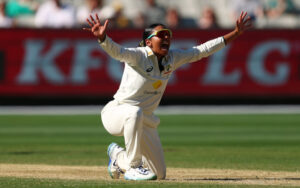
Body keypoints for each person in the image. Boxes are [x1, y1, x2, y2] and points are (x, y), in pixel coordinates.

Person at [83, 12, 252, 180]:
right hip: (117, 113)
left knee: (159, 174)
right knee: (134, 112)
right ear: (148, 42)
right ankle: (133, 167)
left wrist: (235, 33)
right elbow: (118, 52)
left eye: (168, 35)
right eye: (161, 35)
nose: (166, 38)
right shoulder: (139, 55)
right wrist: (103, 38)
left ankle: (118, 157)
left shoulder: (172, 58)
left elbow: (202, 51)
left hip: (146, 120)